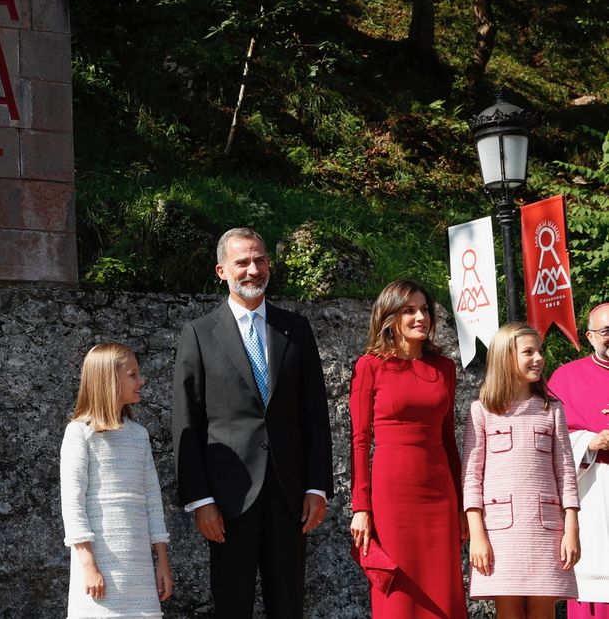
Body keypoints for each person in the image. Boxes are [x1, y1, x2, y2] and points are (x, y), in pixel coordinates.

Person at [171, 227, 333, 617]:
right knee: (231, 605)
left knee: (290, 603)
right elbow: (187, 423)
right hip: (228, 499)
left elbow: (314, 413)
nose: (252, 269)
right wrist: (201, 500)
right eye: (242, 261)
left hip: (289, 494)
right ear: (221, 270)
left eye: (259, 259)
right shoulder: (198, 334)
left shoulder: (296, 329)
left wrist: (317, 487)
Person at [349, 279, 468, 618]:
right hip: (392, 496)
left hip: (439, 495)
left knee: (444, 589)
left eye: (425, 310)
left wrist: (461, 504)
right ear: (391, 317)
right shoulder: (369, 366)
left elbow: (449, 440)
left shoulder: (444, 368)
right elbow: (359, 440)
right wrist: (361, 507)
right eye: (409, 310)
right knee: (398, 593)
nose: (421, 317)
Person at [462, 323, 580, 619]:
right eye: (529, 352)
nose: (539, 358)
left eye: (539, 351)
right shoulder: (482, 411)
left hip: (548, 531)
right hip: (499, 532)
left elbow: (566, 471)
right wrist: (477, 535)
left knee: (543, 611)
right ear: (504, 358)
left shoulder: (552, 410)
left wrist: (572, 529)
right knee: (509, 611)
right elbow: (471, 478)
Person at [60, 342, 172, 618]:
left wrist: (162, 562)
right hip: (100, 566)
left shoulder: (138, 435)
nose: (141, 380)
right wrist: (89, 565)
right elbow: (73, 505)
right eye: (133, 374)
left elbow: (152, 500)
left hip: (140, 569)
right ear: (109, 379)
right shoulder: (79, 434)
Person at [549, 303, 609, 619]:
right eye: (606, 331)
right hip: (594, 491)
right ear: (589, 336)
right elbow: (549, 444)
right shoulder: (566, 378)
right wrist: (592, 441)